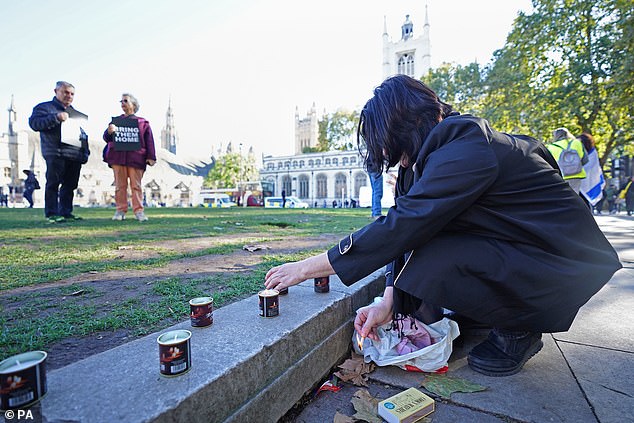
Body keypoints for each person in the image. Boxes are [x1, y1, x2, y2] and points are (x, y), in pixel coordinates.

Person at [264, 75, 621, 377]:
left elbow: (405, 225)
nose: (394, 162)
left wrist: (307, 267)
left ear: (412, 125)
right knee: (426, 256)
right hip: (527, 254)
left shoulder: (465, 147)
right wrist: (389, 301)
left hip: (564, 263)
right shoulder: (421, 161)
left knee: (435, 259)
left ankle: (519, 328)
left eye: (394, 148)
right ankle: (489, 313)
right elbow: (403, 234)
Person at [29, 81, 89, 223]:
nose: (69, 96)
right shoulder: (44, 108)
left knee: (70, 185)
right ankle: (52, 213)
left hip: (74, 155)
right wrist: (56, 118)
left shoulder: (76, 114)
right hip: (55, 152)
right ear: (56, 91)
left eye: (72, 93)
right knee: (53, 183)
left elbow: (83, 136)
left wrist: (85, 153)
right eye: (65, 92)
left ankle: (66, 212)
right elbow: (34, 124)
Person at [103, 93, 156, 221]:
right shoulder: (115, 122)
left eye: (125, 101)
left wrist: (151, 156)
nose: (122, 103)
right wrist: (109, 132)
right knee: (120, 186)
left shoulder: (143, 123)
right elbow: (106, 138)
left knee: (136, 186)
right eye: (121, 101)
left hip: (135, 158)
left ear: (133, 104)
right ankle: (120, 210)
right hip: (118, 157)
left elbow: (149, 140)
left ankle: (139, 211)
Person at [546, 127, 588, 194]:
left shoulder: (551, 147)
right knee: (575, 196)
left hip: (561, 176)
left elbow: (549, 164)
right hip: (577, 175)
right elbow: (585, 160)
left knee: (563, 197)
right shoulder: (577, 142)